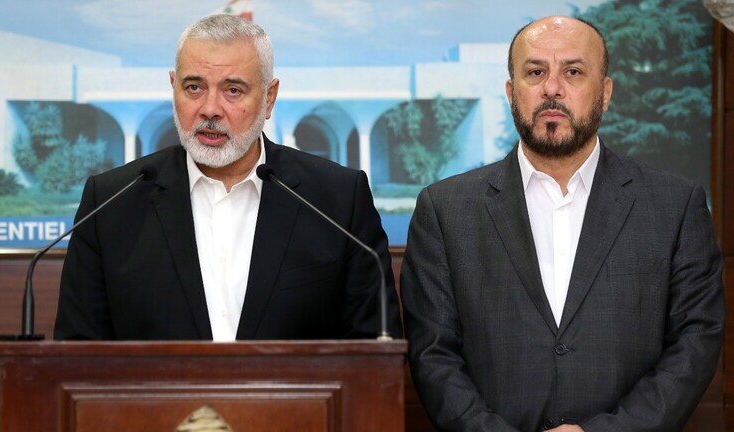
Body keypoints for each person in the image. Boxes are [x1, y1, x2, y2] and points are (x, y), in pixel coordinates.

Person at [400, 16, 724, 432]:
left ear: (605, 93)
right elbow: (433, 355)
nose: (552, 88)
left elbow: (695, 342)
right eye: (535, 72)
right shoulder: (445, 210)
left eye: (573, 72)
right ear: (511, 92)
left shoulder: (674, 206)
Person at [54, 14, 402, 341]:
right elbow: (76, 353)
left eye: (233, 90)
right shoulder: (111, 203)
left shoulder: (337, 199)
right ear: (173, 88)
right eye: (194, 87)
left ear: (269, 98)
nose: (210, 109)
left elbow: (375, 349)